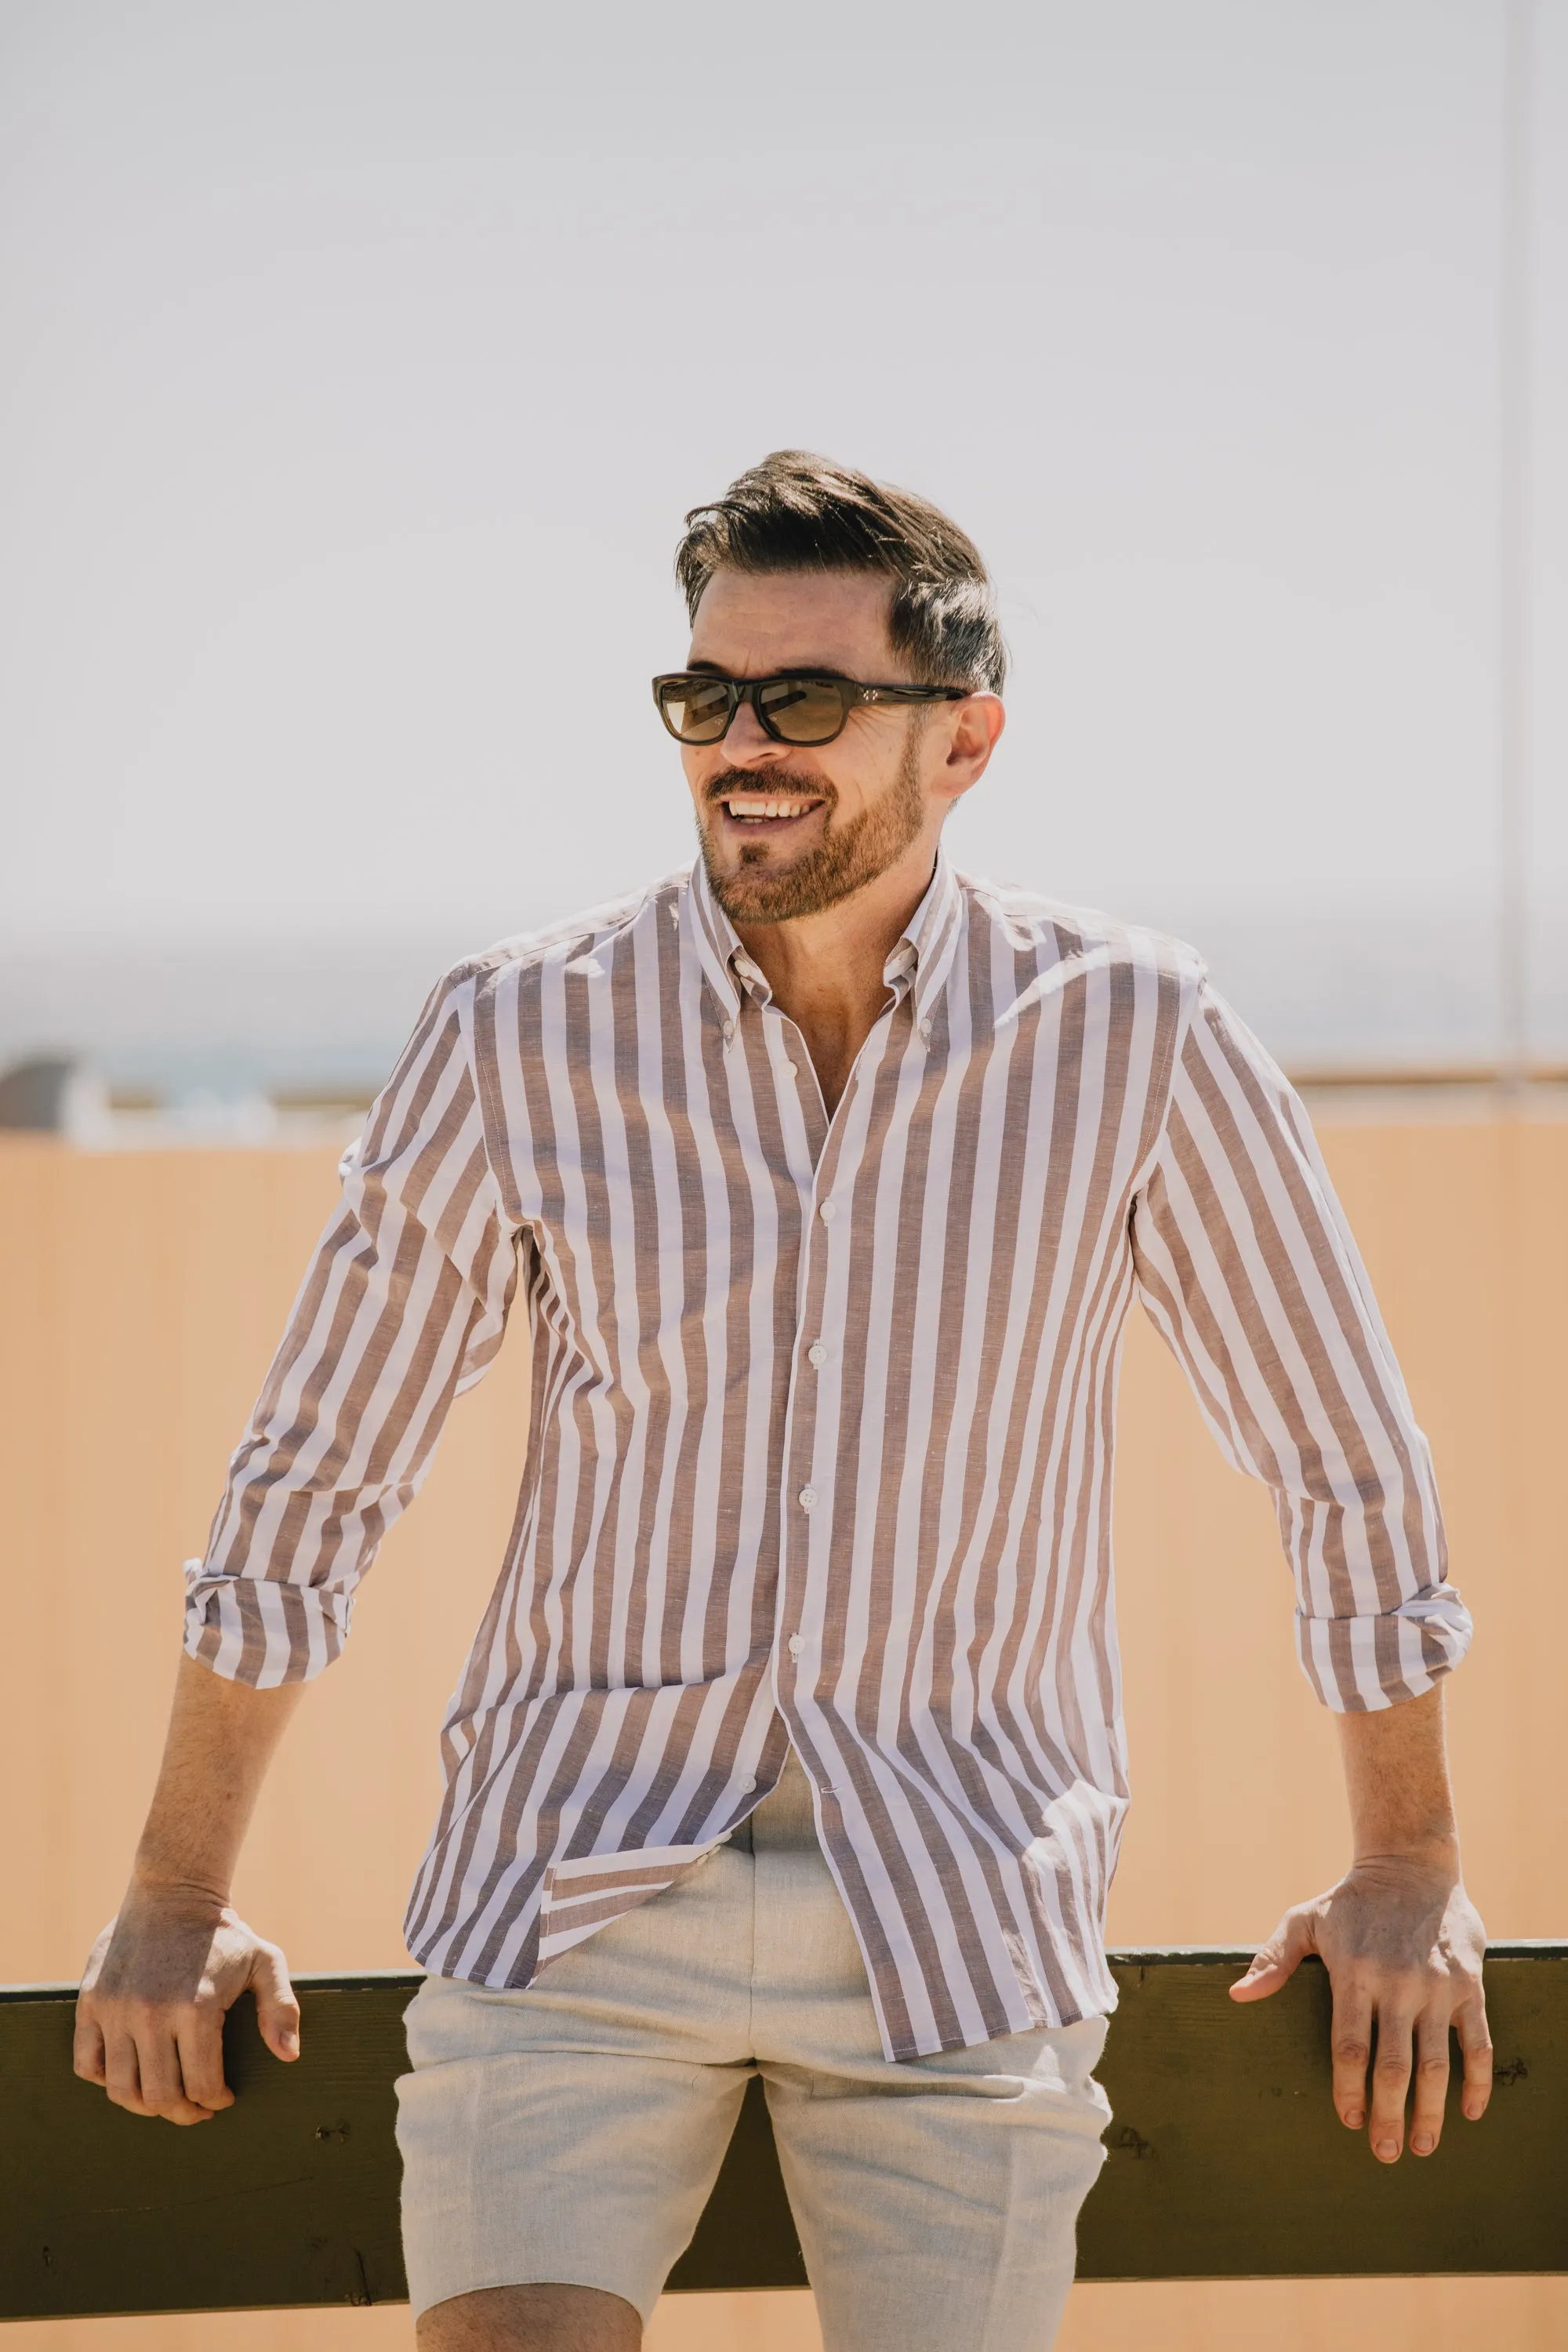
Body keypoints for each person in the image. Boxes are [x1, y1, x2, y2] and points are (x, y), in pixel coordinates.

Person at [74, 452, 1492, 2352]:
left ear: (962, 738)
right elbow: (314, 1479)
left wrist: (1405, 1859)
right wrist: (178, 1887)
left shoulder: (1134, 1034)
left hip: (964, 1915)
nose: (741, 743)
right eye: (704, 698)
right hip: (572, 1899)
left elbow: (1344, 1461)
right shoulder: (521, 1032)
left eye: (804, 701)